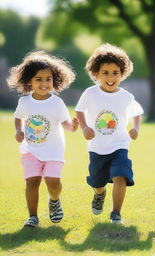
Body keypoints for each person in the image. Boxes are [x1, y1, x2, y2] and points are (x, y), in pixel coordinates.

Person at [7, 50, 79, 227]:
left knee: (53, 183)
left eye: (48, 79)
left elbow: (66, 125)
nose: (44, 83)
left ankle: (54, 200)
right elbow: (18, 117)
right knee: (32, 182)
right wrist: (18, 131)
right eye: (38, 79)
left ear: (54, 80)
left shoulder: (56, 103)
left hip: (53, 151)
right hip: (30, 150)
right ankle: (33, 217)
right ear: (29, 81)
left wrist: (74, 126)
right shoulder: (25, 102)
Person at [75, 43, 143, 224]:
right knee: (97, 182)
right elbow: (79, 111)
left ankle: (116, 213)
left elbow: (137, 113)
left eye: (115, 73)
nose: (111, 77)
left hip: (119, 145)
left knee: (121, 176)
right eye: (105, 72)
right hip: (97, 147)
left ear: (122, 74)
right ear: (96, 73)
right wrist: (84, 128)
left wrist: (136, 128)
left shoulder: (126, 96)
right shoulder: (90, 93)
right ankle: (99, 194)